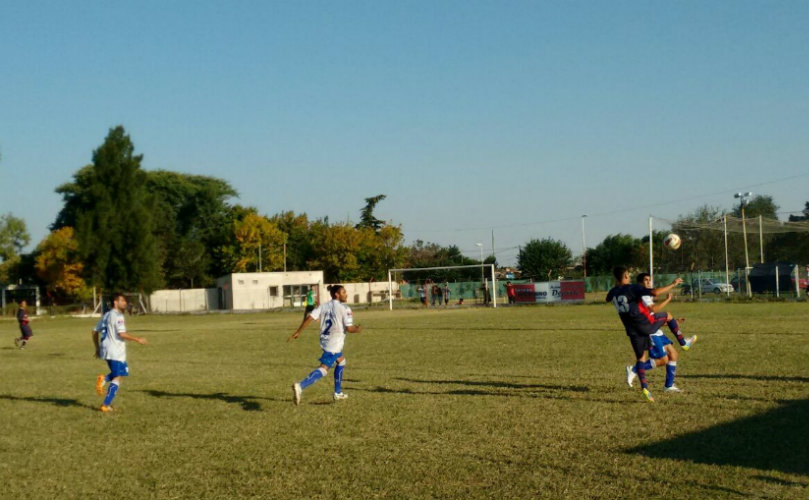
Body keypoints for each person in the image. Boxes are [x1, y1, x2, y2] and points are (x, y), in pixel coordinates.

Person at [606, 266, 682, 403]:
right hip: (645, 324)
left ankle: (645, 388)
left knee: (641, 358)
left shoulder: (613, 292)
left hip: (632, 330)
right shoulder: (632, 288)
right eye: (628, 275)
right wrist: (673, 284)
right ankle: (683, 342)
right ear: (625, 277)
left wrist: (617, 287)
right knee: (667, 315)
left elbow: (608, 298)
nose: (629, 277)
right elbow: (655, 292)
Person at [288, 285, 362, 405]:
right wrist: (358, 329)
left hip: (325, 340)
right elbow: (349, 328)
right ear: (336, 294)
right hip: (335, 343)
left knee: (341, 361)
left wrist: (298, 331)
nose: (346, 294)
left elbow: (310, 317)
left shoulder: (324, 306)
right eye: (343, 292)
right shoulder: (344, 308)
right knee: (324, 368)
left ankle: (338, 393)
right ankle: (300, 386)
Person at [625, 273, 698, 392]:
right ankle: (634, 369)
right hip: (650, 332)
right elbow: (654, 310)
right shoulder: (642, 294)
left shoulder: (645, 294)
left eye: (649, 280)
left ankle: (668, 386)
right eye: (645, 280)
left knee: (673, 354)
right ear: (640, 283)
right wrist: (669, 297)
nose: (648, 282)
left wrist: (673, 322)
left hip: (655, 329)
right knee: (663, 360)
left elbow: (652, 317)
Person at [92, 293, 148, 412]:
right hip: (115, 351)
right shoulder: (118, 316)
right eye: (122, 301)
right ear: (115, 302)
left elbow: (94, 331)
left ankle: (104, 379)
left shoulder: (106, 315)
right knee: (118, 376)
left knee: (121, 373)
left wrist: (97, 348)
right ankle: (105, 405)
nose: (125, 303)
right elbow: (121, 334)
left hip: (107, 349)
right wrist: (137, 339)